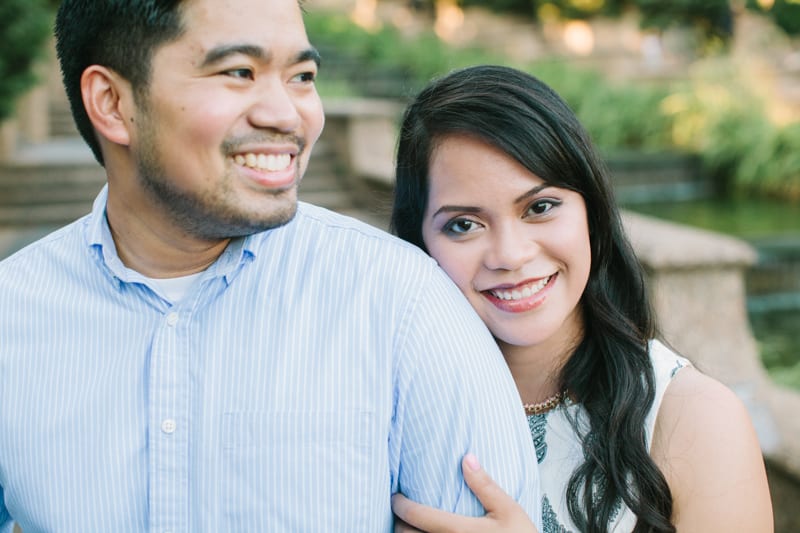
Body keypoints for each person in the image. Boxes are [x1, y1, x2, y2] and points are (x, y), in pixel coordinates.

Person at [0, 4, 542, 531]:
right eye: (239, 72)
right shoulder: (12, 316)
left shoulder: (401, 303)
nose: (288, 115)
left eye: (302, 76)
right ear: (112, 102)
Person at [390, 65, 773, 532]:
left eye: (539, 207)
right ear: (419, 243)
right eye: (464, 224)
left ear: (591, 211)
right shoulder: (392, 407)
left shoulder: (694, 418)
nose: (510, 255)